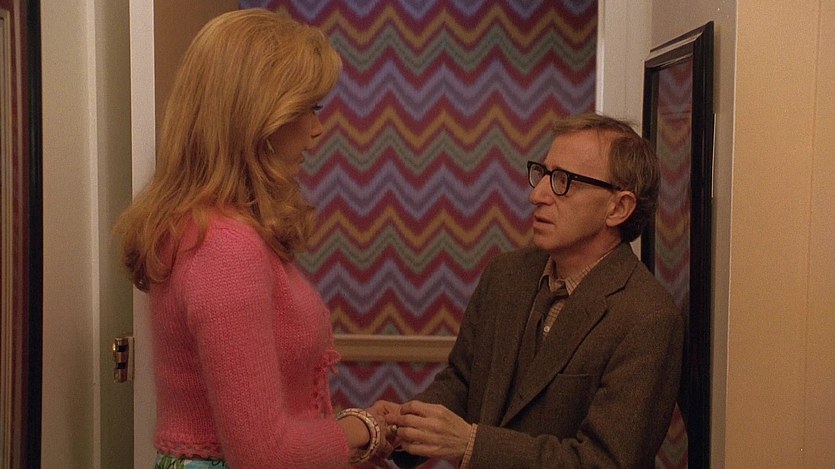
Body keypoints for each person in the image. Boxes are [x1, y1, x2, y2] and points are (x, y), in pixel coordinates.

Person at [114, 9, 391, 468]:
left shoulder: (206, 230)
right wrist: (363, 430)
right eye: (307, 109)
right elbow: (264, 455)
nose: (317, 129)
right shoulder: (222, 246)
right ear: (257, 117)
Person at [376, 113, 684, 468]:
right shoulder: (506, 275)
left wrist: (472, 445)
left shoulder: (647, 318)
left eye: (563, 181)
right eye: (543, 174)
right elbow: (462, 383)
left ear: (618, 208)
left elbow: (604, 462)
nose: (536, 195)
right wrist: (403, 427)